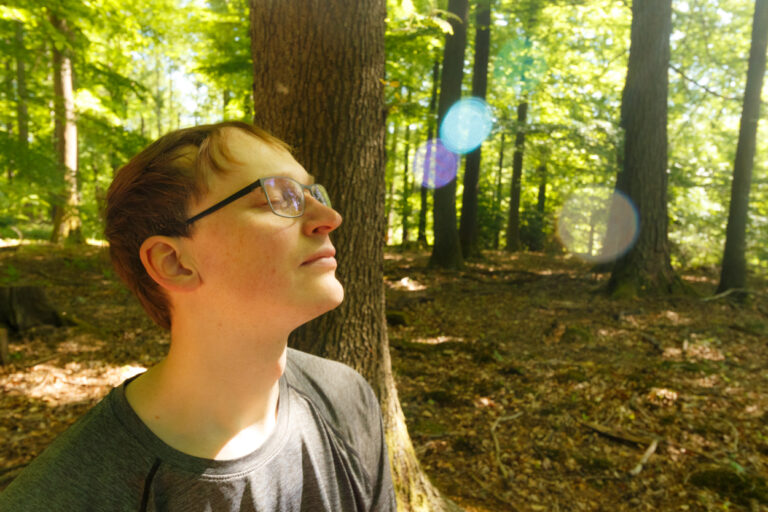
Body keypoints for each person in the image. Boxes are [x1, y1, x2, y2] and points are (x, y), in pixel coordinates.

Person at [0, 121, 396, 511]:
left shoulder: (346, 399)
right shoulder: (66, 496)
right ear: (173, 262)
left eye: (312, 193)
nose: (330, 217)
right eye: (279, 196)